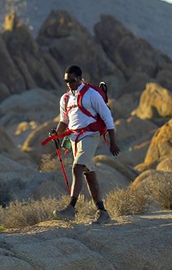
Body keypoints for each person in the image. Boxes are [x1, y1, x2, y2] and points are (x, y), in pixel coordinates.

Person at [51, 65, 120, 224]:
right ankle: (102, 212)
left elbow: (107, 117)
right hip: (74, 138)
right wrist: (56, 133)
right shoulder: (65, 98)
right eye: (66, 81)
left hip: (90, 135)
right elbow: (64, 121)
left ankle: (71, 208)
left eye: (72, 80)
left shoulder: (92, 95)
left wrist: (112, 142)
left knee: (77, 168)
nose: (69, 84)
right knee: (89, 174)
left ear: (80, 79)